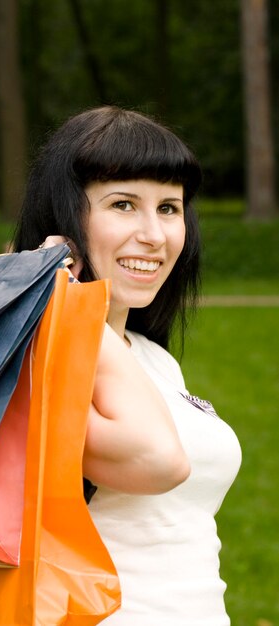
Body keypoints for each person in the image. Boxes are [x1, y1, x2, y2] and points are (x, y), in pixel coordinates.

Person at [13, 106, 242, 625]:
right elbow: (159, 461)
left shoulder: (148, 355)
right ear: (62, 220)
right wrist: (58, 298)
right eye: (122, 204)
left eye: (168, 208)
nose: (155, 235)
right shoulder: (32, 360)